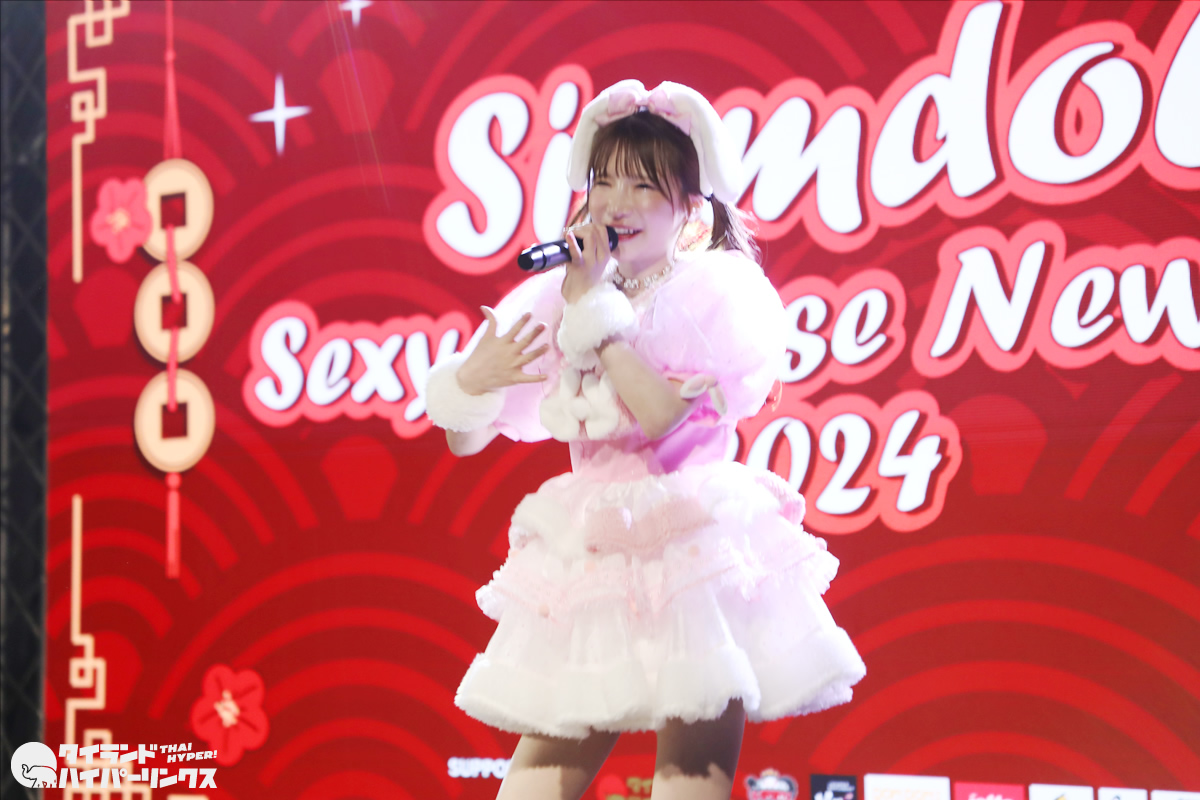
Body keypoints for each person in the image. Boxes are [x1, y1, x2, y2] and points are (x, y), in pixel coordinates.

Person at [425, 79, 865, 800]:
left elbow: (665, 420)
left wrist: (594, 315)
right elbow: (464, 443)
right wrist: (469, 384)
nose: (615, 203)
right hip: (594, 550)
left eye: (641, 185)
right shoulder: (560, 295)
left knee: (690, 772)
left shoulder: (712, 292)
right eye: (603, 181)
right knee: (536, 778)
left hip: (691, 541)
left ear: (689, 208)